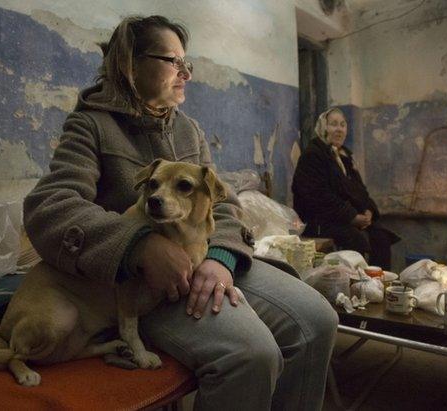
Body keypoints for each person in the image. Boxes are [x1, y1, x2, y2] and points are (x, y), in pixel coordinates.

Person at [24, 15, 338, 410]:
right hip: (140, 288)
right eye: (174, 61)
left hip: (204, 260)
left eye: (187, 63)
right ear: (130, 64)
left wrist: (222, 258)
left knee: (317, 320)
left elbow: (223, 206)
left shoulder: (188, 130)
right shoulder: (91, 126)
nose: (186, 73)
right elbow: (50, 206)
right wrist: (137, 246)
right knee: (251, 354)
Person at [291, 108, 400, 270]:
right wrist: (352, 216)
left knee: (380, 237)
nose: (339, 129)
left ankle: (377, 285)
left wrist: (368, 209)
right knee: (357, 238)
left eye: (342, 125)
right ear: (323, 128)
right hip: (319, 221)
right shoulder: (313, 155)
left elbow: (360, 190)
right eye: (333, 124)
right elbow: (318, 196)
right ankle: (356, 286)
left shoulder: (344, 156)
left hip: (342, 218)